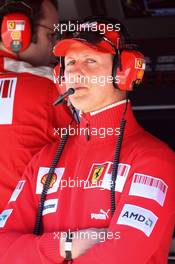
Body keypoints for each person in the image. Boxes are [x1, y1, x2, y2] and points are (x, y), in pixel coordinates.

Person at [0, 17, 175, 264]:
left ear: (124, 72)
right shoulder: (44, 160)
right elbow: (3, 248)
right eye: (69, 62)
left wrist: (33, 252)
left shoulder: (154, 160)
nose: (74, 71)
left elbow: (122, 255)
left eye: (90, 60)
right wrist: (65, 245)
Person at [0, 0, 73, 211]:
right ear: (16, 31)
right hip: (25, 236)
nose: (56, 48)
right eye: (52, 36)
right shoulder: (52, 88)